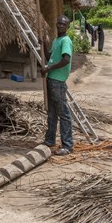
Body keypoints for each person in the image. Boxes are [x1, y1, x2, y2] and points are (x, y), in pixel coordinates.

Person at [41, 15, 73, 155]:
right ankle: (50, 140)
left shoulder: (66, 41)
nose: (60, 26)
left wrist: (49, 68)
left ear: (68, 27)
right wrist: (43, 45)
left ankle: (67, 145)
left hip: (58, 81)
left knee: (63, 113)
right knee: (52, 112)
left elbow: (66, 60)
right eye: (59, 23)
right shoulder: (56, 40)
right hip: (51, 79)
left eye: (63, 24)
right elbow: (50, 58)